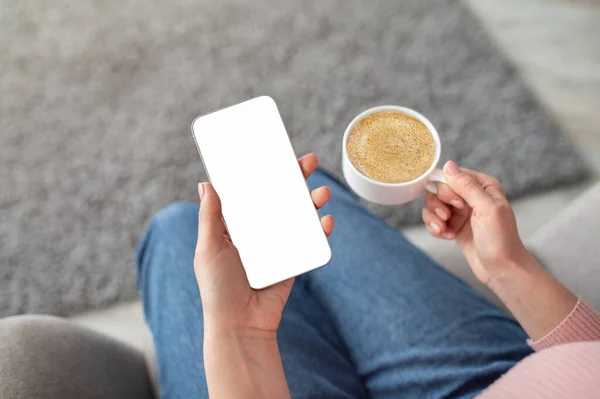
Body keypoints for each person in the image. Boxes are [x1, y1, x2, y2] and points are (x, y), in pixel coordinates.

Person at [136, 154, 600, 398]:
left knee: (178, 230)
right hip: (505, 381)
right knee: (299, 192)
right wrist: (508, 267)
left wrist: (238, 333)